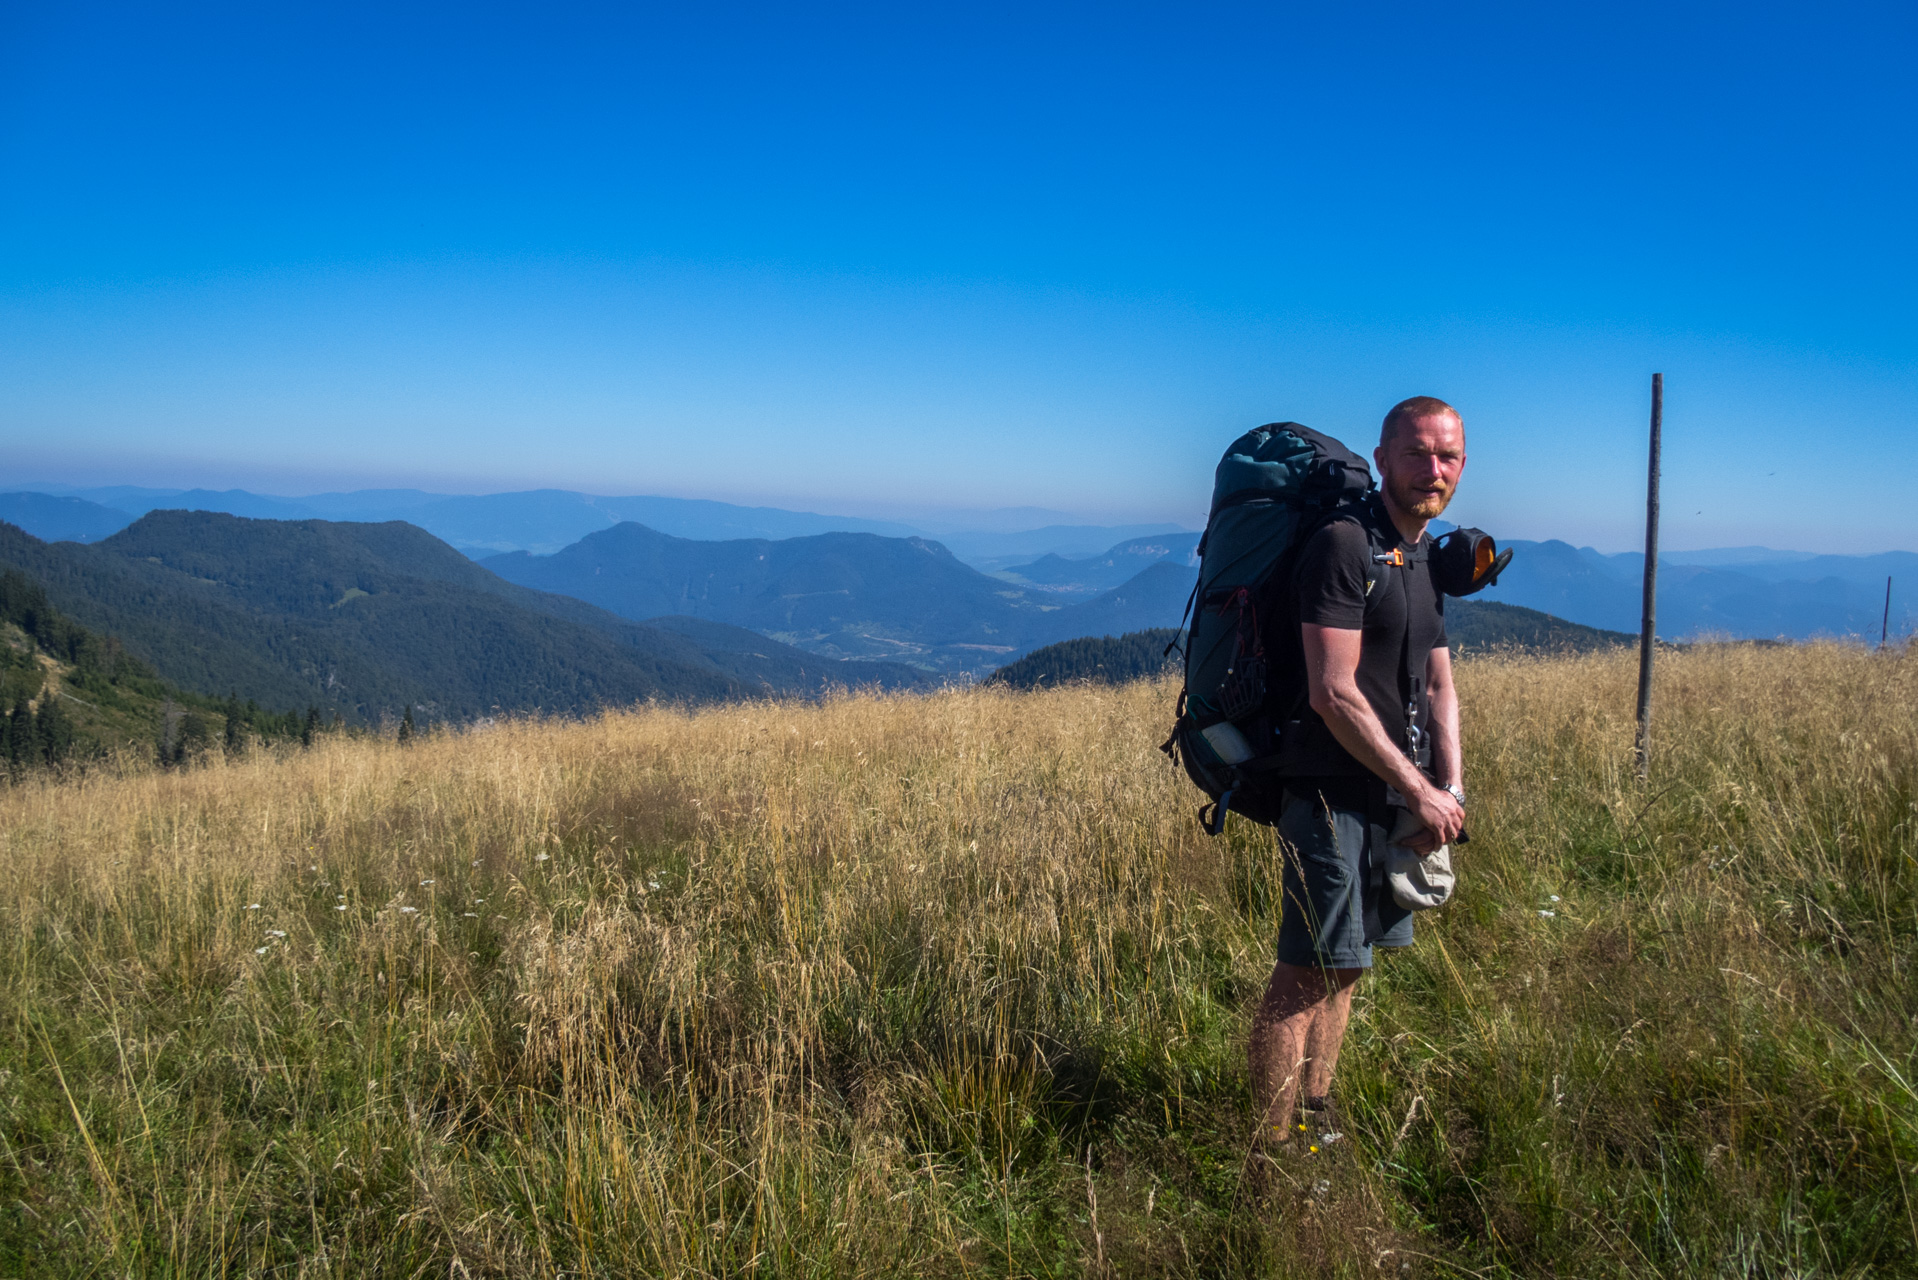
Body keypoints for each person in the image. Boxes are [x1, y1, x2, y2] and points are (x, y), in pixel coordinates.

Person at [1249, 395, 1468, 1149]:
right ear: (1382, 460)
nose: (1431, 470)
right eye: (1416, 453)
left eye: (1446, 457)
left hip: (1389, 794)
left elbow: (1440, 685)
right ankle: (1271, 1152)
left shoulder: (1422, 557)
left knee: (1347, 967)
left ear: (1462, 467)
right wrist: (1420, 789)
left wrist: (1452, 787)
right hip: (1327, 787)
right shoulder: (1347, 545)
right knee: (1305, 972)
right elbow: (1332, 690)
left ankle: (1316, 1120)